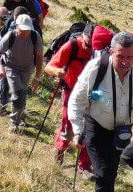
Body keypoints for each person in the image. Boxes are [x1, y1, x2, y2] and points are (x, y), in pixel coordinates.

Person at [69, 32, 133, 192]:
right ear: (111, 52)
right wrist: (78, 131)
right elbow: (77, 101)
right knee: (104, 174)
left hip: (123, 132)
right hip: (97, 128)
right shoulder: (96, 68)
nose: (125, 62)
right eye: (120, 57)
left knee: (110, 173)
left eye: (130, 57)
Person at [44, 24, 114, 175]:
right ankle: (60, 151)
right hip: (71, 92)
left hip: (94, 94)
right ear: (83, 36)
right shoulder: (72, 46)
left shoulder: (101, 50)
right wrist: (58, 72)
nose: (89, 48)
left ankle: (85, 165)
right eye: (87, 43)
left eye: (92, 45)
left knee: (91, 128)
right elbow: (48, 67)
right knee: (68, 124)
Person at [0, 13, 44, 130]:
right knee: (18, 92)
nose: (25, 32)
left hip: (27, 69)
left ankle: (19, 117)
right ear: (16, 26)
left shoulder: (35, 36)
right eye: (22, 29)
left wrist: (37, 78)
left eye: (27, 30)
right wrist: (0, 67)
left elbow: (40, 57)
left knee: (22, 94)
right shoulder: (10, 35)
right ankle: (14, 122)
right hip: (11, 67)